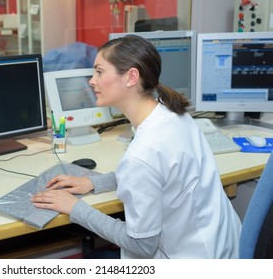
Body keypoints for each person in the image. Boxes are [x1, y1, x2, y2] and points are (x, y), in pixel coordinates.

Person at [31, 35, 242, 259]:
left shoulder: (143, 153)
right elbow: (158, 174)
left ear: (131, 77)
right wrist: (93, 183)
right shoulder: (172, 114)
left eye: (99, 72)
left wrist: (75, 208)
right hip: (224, 247)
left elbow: (141, 245)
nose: (92, 80)